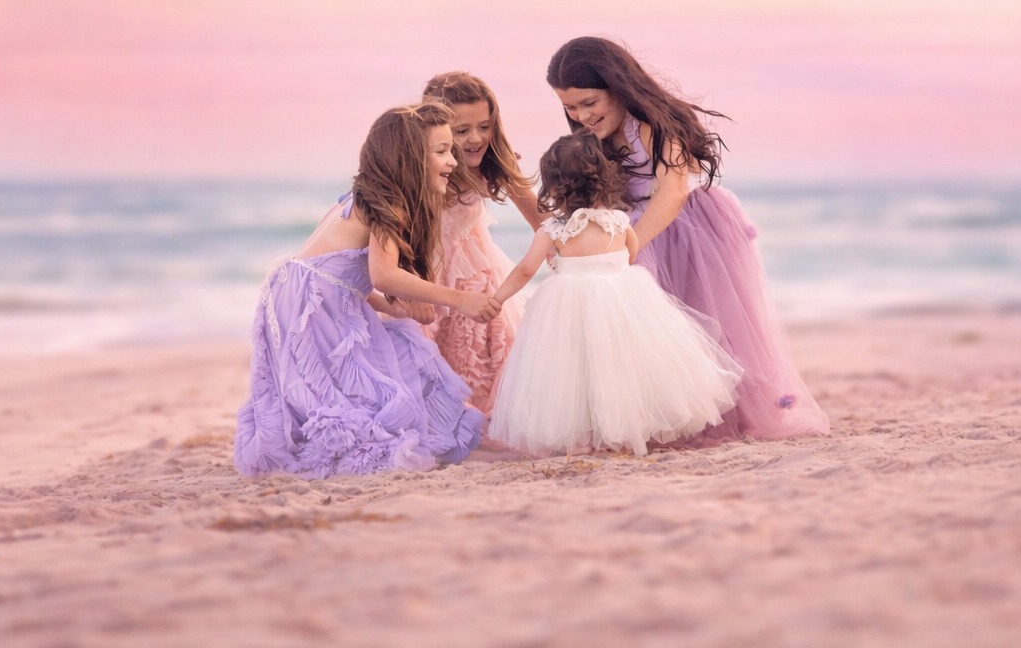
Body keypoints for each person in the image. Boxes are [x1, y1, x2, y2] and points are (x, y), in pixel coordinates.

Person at [546, 36, 829, 442]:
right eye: (570, 107)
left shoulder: (652, 128)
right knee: (635, 327)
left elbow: (673, 192)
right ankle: (644, 415)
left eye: (591, 103)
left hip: (684, 231)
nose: (582, 115)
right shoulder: (595, 141)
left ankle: (710, 415)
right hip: (633, 228)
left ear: (619, 88)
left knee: (700, 322)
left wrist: (625, 250)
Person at [233, 102, 494, 477]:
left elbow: (333, 279)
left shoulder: (362, 196)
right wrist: (460, 299)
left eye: (451, 150)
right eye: (441, 151)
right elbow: (383, 276)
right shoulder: (388, 204)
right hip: (306, 302)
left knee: (394, 349)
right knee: (363, 383)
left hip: (294, 295)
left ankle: (430, 429)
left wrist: (396, 310)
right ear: (408, 158)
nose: (452, 160)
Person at [487, 134, 742, 457]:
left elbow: (525, 270)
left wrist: (498, 298)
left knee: (576, 370)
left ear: (554, 188)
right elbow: (631, 254)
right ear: (602, 180)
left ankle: (584, 438)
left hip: (569, 302)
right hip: (622, 296)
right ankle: (625, 436)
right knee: (624, 366)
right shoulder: (618, 221)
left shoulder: (552, 230)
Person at [421, 71, 542, 412]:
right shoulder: (425, 170)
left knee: (477, 362)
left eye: (484, 126)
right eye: (462, 131)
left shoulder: (492, 165)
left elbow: (543, 223)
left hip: (476, 273)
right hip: (429, 275)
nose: (476, 138)